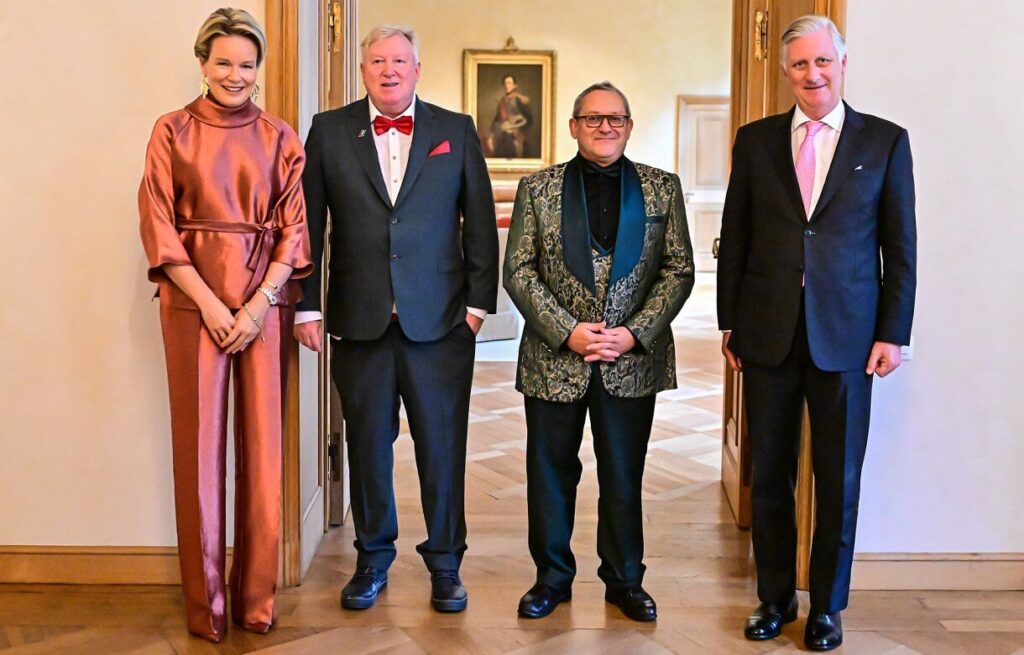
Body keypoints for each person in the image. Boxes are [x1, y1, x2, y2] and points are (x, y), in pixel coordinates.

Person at [717, 15, 916, 652]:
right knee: (770, 474)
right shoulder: (755, 141)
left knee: (838, 480)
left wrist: (893, 331)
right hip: (768, 334)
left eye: (823, 62)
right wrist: (730, 323)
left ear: (842, 64)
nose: (813, 75)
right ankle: (773, 599)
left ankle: (827, 607)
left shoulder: (885, 142)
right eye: (800, 64)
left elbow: (900, 247)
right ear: (785, 71)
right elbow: (737, 238)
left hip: (849, 339)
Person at [293, 25, 498, 613]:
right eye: (378, 60)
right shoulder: (329, 131)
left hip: (441, 324)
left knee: (442, 447)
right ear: (363, 70)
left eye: (399, 60)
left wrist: (478, 308)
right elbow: (309, 226)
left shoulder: (453, 130)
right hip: (358, 323)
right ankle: (372, 559)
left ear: (417, 69)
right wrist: (307, 303)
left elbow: (479, 223)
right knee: (366, 447)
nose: (389, 70)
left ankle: (445, 564)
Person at [138, 7, 312, 643]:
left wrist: (258, 304)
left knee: (264, 455)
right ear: (202, 63)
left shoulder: (279, 137)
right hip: (191, 304)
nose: (235, 74)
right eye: (223, 62)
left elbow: (296, 233)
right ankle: (203, 607)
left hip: (263, 304)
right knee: (199, 453)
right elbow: (157, 224)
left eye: (246, 63)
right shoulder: (171, 131)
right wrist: (212, 305)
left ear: (258, 69)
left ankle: (255, 601)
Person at [504, 82, 694, 622]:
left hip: (631, 361)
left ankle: (625, 580)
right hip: (553, 359)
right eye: (593, 118)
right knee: (549, 472)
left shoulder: (662, 188)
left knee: (623, 473)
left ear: (629, 126)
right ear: (573, 126)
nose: (604, 127)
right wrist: (566, 330)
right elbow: (518, 269)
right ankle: (551, 578)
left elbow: (678, 269)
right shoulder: (538, 189)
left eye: (615, 118)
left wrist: (633, 333)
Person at [487, 74, 532, 158]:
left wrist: (516, 128)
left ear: (515, 85)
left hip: (518, 137)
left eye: (509, 83)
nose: (506, 86)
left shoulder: (520, 100)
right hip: (504, 136)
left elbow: (529, 119)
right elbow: (497, 119)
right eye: (505, 83)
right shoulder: (502, 101)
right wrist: (491, 134)